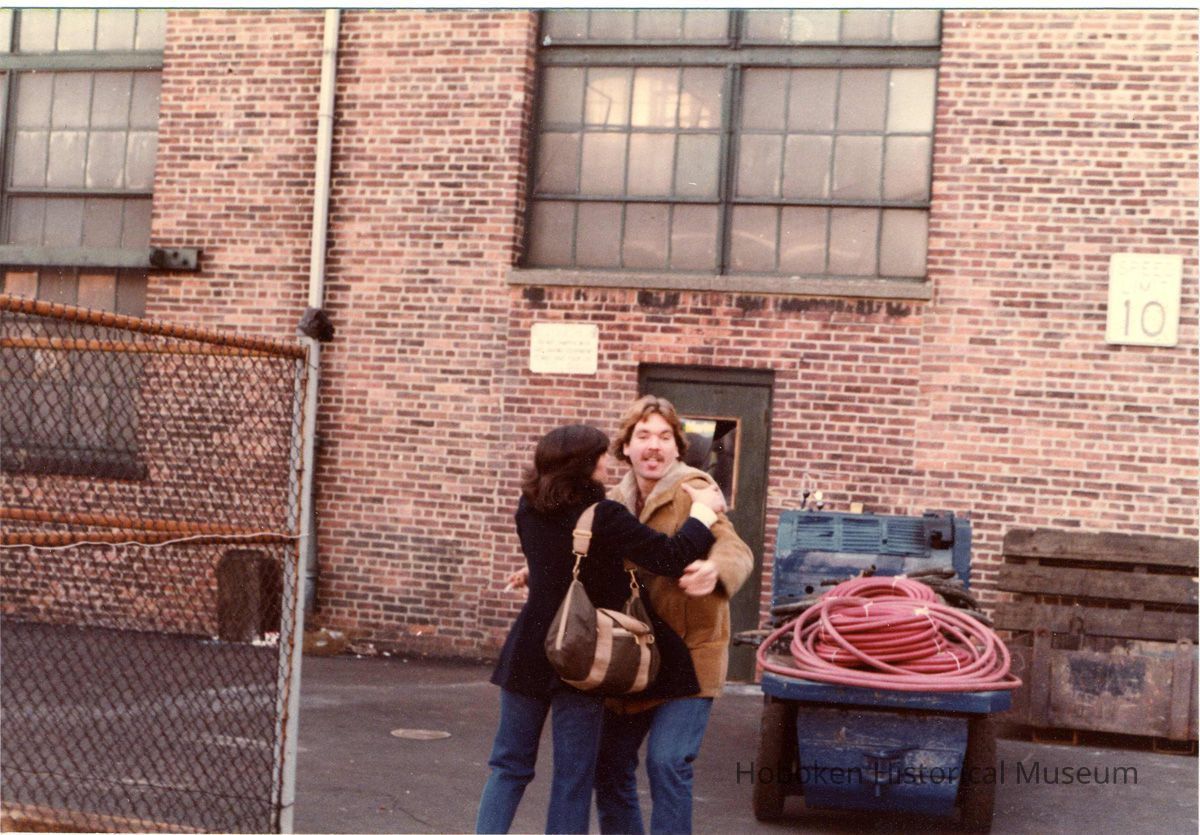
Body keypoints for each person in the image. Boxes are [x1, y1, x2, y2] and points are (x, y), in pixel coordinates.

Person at [475, 423, 728, 835]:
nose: (605, 465)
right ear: (586, 464)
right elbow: (671, 556)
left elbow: (552, 564)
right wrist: (702, 511)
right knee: (573, 778)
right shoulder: (605, 515)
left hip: (527, 652)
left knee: (508, 766)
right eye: (600, 457)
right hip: (580, 653)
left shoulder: (528, 507)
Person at [594, 395, 754, 835]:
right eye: (643, 435)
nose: (654, 446)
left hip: (690, 654)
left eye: (665, 437)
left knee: (667, 762)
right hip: (635, 659)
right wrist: (539, 569)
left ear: (677, 448)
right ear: (626, 446)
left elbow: (735, 547)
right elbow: (583, 550)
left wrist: (715, 569)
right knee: (608, 767)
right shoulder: (613, 500)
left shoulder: (694, 489)